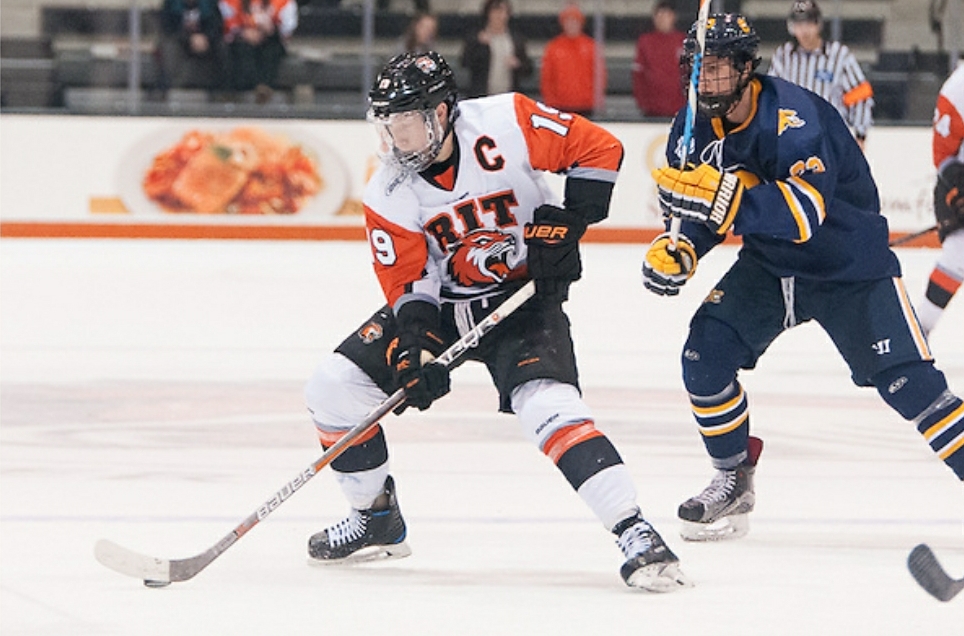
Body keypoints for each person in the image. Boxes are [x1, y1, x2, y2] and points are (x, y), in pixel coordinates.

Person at [303, 51, 690, 592]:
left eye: (406, 126)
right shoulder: (387, 190)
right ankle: (376, 519)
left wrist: (569, 221)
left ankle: (635, 530)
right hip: (446, 306)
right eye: (388, 127)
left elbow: (600, 149)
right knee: (334, 386)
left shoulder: (507, 121)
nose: (394, 142)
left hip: (522, 299)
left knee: (549, 407)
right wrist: (416, 353)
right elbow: (410, 286)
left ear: (441, 113)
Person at [642, 14, 964, 542]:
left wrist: (721, 199)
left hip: (848, 267)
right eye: (697, 69)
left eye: (717, 69)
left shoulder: (793, 116)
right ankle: (733, 478)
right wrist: (679, 249)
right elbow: (693, 213)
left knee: (915, 389)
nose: (703, 81)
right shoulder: (691, 125)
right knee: (705, 356)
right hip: (771, 267)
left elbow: (802, 216)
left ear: (747, 69)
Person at [768, 0, 873, 150]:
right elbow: (771, 97)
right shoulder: (783, 56)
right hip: (790, 140)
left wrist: (860, 135)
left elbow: (860, 95)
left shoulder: (839, 56)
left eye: (808, 24)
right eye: (798, 25)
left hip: (829, 140)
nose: (803, 31)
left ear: (818, 24)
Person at [917, 62, 964, 336]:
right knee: (959, 252)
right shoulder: (959, 87)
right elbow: (944, 154)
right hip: (960, 185)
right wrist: (958, 187)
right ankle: (917, 331)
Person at [218, 0, 298, 103]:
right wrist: (243, 32)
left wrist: (269, 30)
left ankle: (263, 88)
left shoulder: (283, 2)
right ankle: (233, 92)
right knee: (239, 49)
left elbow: (287, 31)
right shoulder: (230, 2)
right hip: (240, 40)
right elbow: (225, 22)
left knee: (271, 49)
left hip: (271, 41)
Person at [539, 3, 604, 118]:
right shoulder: (553, 47)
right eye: (568, 21)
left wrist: (596, 101)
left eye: (575, 21)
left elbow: (600, 76)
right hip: (559, 106)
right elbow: (547, 77)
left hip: (586, 106)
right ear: (562, 23)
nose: (571, 25)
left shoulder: (591, 47)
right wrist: (550, 102)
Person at [461, 0, 532, 98]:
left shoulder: (516, 39)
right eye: (495, 12)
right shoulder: (476, 37)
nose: (499, 16)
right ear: (488, 14)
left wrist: (517, 64)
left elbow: (528, 69)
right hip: (482, 97)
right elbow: (465, 63)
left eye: (503, 12)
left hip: (508, 98)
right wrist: (478, 45)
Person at [156, 0, 224, 96]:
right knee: (169, 48)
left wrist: (206, 37)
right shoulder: (171, 4)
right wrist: (189, 39)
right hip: (179, 40)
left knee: (222, 47)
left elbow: (216, 25)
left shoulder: (210, 4)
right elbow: (168, 27)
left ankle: (221, 93)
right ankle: (170, 90)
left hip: (205, 40)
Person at [632, 0, 686, 118]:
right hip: (652, 109)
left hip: (679, 108)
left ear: (673, 17)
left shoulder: (683, 41)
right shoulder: (645, 41)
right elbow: (638, 75)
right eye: (659, 15)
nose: (662, 19)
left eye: (666, 15)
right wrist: (643, 103)